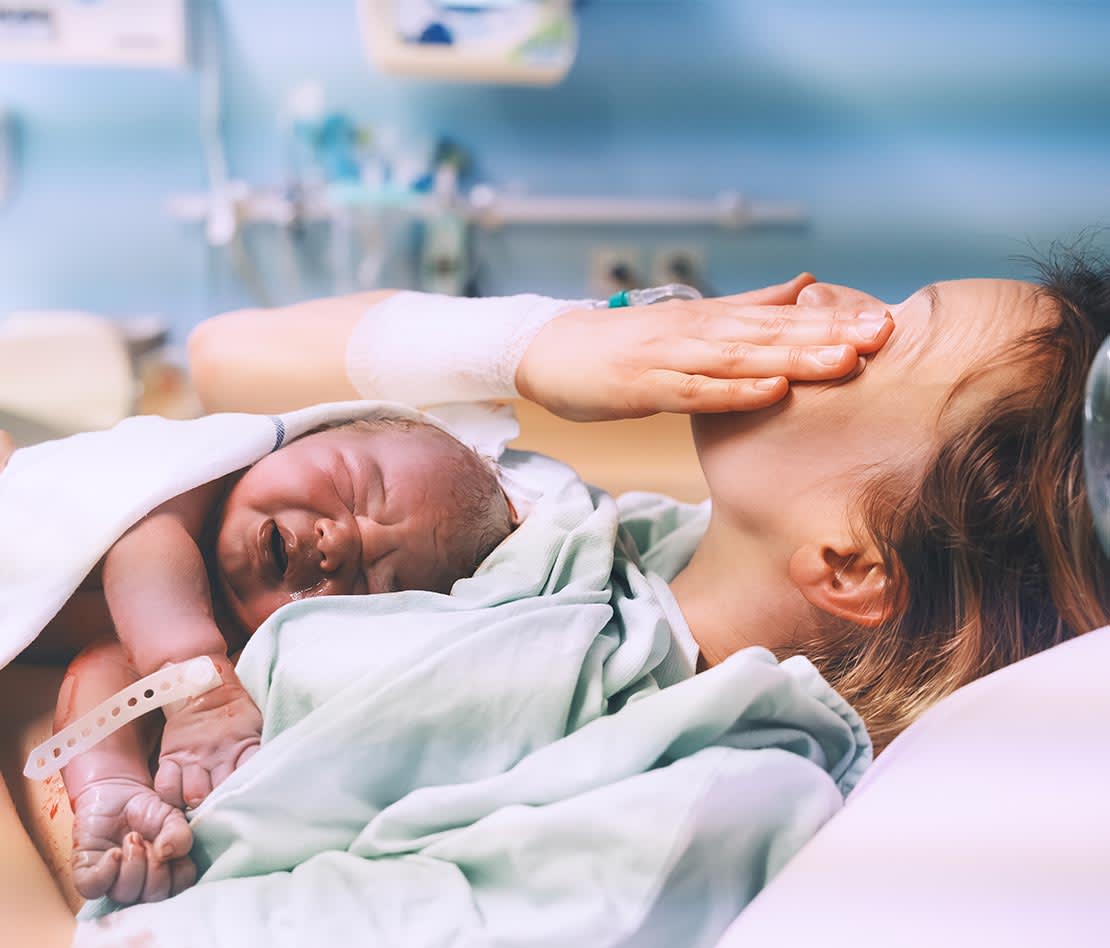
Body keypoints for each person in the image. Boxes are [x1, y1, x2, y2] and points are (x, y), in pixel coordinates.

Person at [5, 254, 1109, 946]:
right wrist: (544, 343)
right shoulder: (595, 531)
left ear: (854, 564)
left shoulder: (702, 800)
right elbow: (227, 358)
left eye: (886, 332)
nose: (821, 294)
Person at [8, 413, 515, 907]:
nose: (339, 542)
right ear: (305, 435)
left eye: (373, 582)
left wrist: (109, 783)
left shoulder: (235, 632)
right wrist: (201, 698)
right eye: (354, 486)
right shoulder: (188, 489)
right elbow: (145, 556)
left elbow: (108, 672)